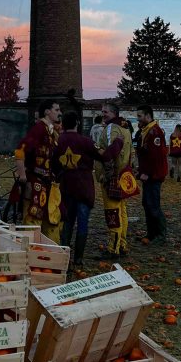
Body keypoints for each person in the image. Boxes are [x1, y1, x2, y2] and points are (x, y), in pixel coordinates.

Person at [53, 112, 103, 271]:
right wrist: (117, 143)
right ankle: (78, 260)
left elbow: (53, 165)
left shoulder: (57, 141)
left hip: (66, 188)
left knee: (67, 223)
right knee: (82, 224)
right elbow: (104, 156)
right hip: (83, 188)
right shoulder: (86, 142)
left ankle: (64, 259)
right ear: (77, 123)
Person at [14, 100, 63, 242]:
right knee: (33, 218)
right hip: (36, 182)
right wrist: (23, 176)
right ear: (47, 111)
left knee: (50, 219)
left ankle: (51, 253)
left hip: (48, 182)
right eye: (57, 109)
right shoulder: (39, 129)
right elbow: (20, 151)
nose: (59, 113)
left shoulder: (51, 131)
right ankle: (31, 253)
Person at [96, 101, 134, 257]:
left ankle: (113, 248)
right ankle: (122, 244)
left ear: (114, 114)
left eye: (106, 112)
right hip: (123, 175)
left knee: (113, 212)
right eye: (103, 112)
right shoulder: (126, 129)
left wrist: (107, 174)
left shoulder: (112, 128)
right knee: (122, 211)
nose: (103, 115)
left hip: (112, 176)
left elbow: (112, 151)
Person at [136, 106, 168, 244]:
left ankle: (160, 235)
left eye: (139, 116)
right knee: (147, 204)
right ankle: (151, 234)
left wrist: (147, 174)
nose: (138, 119)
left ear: (147, 116)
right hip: (148, 174)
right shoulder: (146, 131)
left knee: (153, 205)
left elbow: (155, 156)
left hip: (153, 176)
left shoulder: (154, 132)